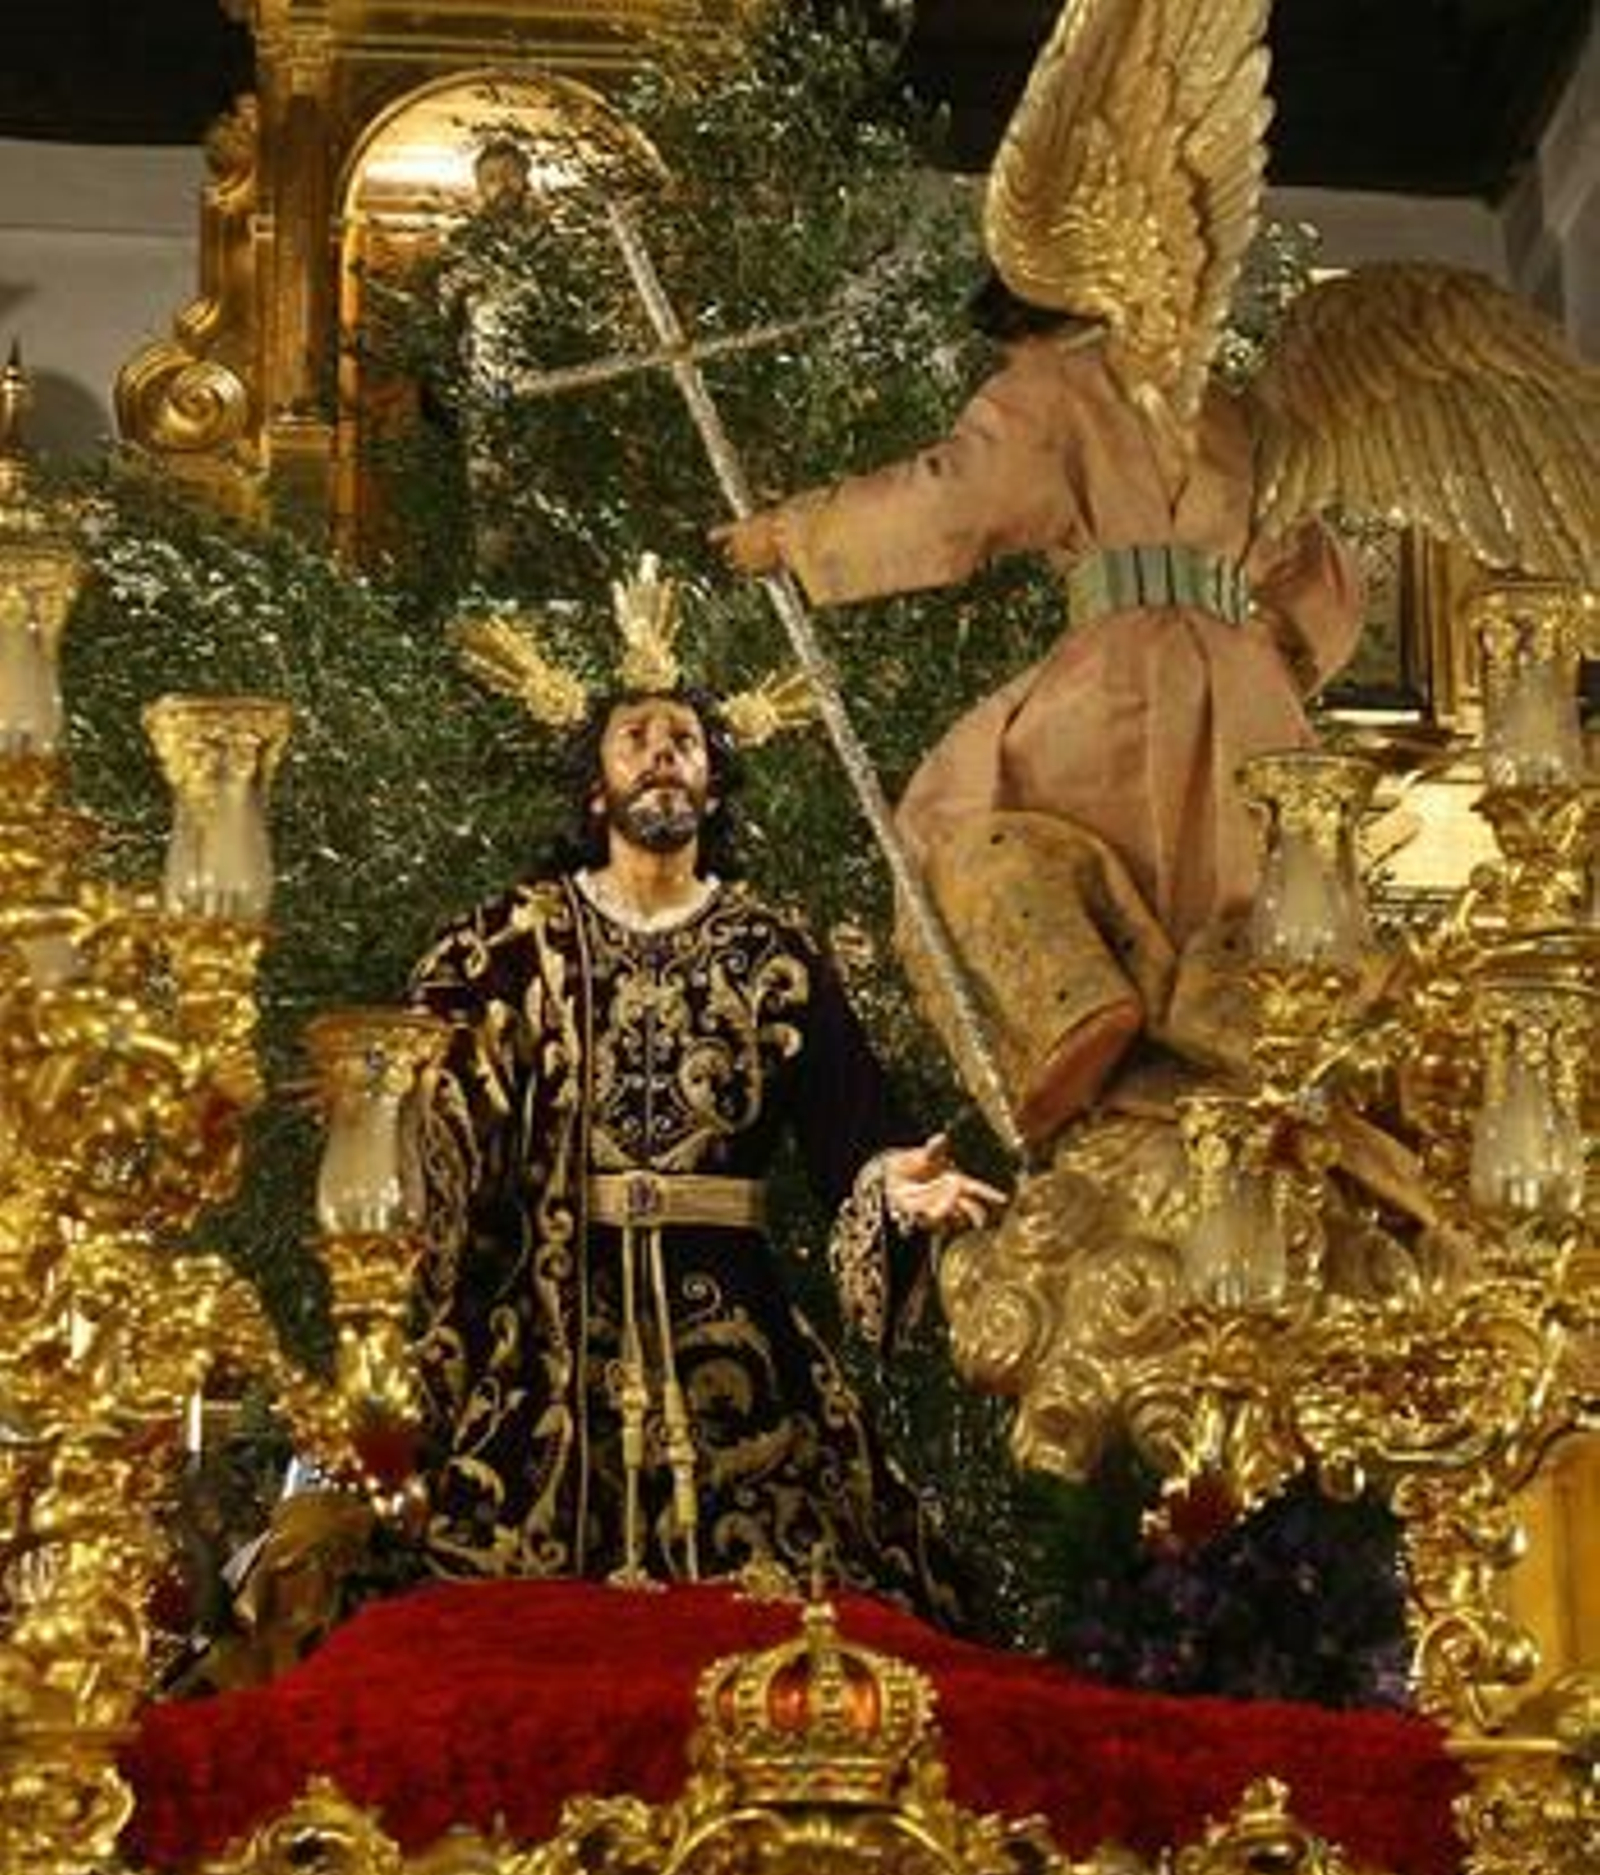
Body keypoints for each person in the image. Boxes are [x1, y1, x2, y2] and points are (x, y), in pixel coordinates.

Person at [717, 274, 1366, 1144]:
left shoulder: (1061, 386)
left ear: (1033, 330)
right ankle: (1233, 1064)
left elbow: (953, 498)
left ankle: (1077, 1010)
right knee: (1246, 898)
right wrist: (1267, 669)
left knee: (953, 826)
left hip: (1119, 677)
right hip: (1255, 700)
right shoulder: (1236, 413)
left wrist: (796, 534)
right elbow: (1328, 584)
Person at [410, 684, 1003, 1621]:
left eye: (683, 740)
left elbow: (850, 1122)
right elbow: (435, 1085)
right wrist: (389, 1103)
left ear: (712, 786)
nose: (660, 754)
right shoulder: (514, 940)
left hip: (733, 1312)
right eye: (635, 739)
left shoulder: (775, 948)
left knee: (816, 1589)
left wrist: (893, 1186)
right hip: (558, 1319)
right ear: (596, 791)